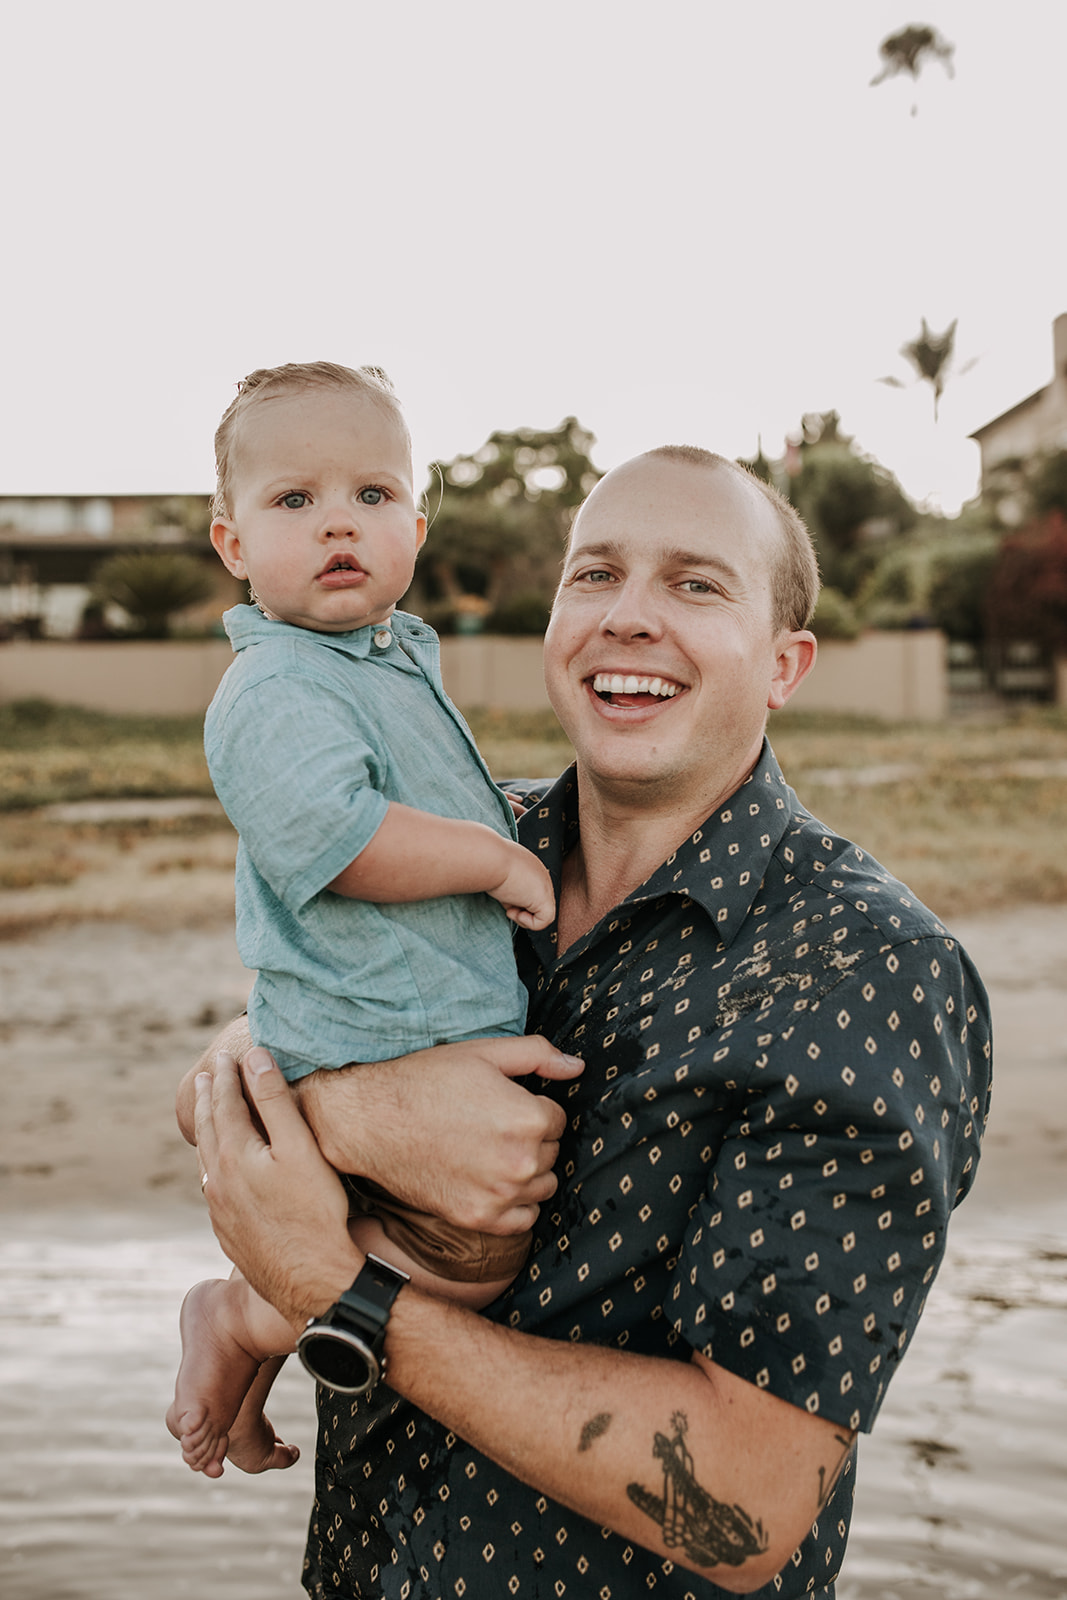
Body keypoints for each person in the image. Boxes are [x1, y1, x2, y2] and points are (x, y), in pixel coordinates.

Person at [185, 446, 992, 1598]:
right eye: (593, 574)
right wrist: (358, 1109)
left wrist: (341, 1294)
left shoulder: (866, 972)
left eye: (694, 585)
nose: (626, 617)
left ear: (782, 664)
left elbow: (745, 1507)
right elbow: (217, 1079)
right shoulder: (454, 846)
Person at [166, 362, 569, 1480]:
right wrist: (492, 858)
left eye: (372, 496)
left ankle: (240, 1364)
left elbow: (433, 793)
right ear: (232, 544)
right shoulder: (275, 686)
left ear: (418, 525)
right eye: (293, 501)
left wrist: (511, 817)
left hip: (414, 1026)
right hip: (361, 1038)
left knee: (387, 1258)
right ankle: (244, 1317)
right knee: (475, 1262)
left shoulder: (385, 658)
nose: (338, 520)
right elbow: (338, 840)